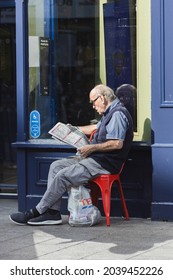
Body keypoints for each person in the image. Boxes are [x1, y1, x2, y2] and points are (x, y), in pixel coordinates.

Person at [9, 84, 134, 225]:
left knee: (63, 176)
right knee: (56, 166)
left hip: (104, 163)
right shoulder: (109, 112)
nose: (93, 106)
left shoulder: (117, 114)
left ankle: (37, 211)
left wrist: (91, 148)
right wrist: (73, 129)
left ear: (103, 98)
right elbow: (94, 127)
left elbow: (117, 143)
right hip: (95, 159)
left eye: (93, 101)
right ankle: (53, 213)